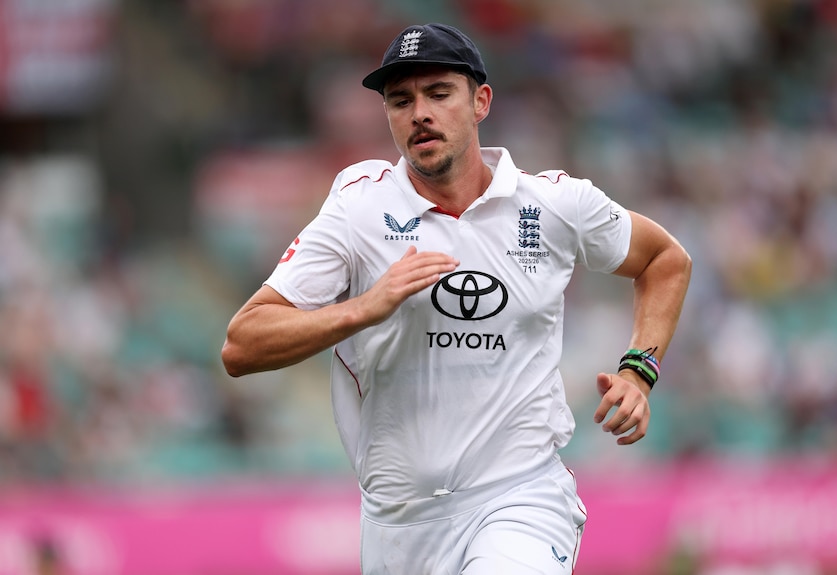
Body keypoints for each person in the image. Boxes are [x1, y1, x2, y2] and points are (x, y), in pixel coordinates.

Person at [222, 22, 691, 574]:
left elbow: (665, 260)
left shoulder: (554, 203)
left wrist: (639, 370)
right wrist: (363, 308)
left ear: (481, 102)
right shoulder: (357, 209)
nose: (419, 113)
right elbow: (242, 345)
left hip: (522, 497)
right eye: (401, 100)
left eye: (439, 93)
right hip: (398, 524)